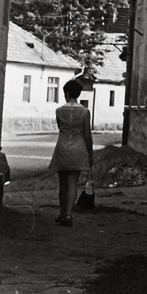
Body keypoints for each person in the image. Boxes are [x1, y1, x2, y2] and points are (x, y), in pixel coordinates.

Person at [49, 78, 93, 226]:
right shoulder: (85, 112)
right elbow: (87, 135)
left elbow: (61, 128)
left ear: (66, 93)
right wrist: (90, 153)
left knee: (62, 183)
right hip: (79, 148)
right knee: (73, 182)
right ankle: (68, 213)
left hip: (62, 147)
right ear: (79, 94)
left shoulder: (59, 111)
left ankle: (62, 213)